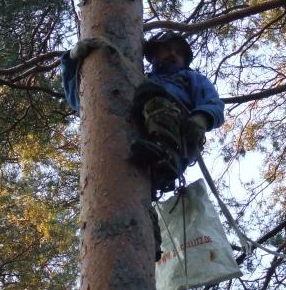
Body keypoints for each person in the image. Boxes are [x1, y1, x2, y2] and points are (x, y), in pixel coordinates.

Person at [60, 31, 224, 194]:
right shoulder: (138, 79)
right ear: (153, 55)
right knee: (144, 94)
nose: (173, 54)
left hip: (180, 138)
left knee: (151, 93)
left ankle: (165, 154)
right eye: (166, 49)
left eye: (179, 52)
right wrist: (72, 62)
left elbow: (213, 102)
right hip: (141, 139)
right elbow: (83, 102)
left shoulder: (191, 77)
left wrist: (202, 118)